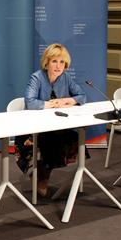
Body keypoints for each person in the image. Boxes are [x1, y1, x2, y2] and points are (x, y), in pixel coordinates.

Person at [18, 43, 86, 197]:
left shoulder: (65, 77)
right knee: (53, 141)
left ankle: (42, 171)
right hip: (35, 128)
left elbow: (82, 96)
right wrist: (50, 104)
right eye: (54, 61)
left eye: (62, 62)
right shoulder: (37, 77)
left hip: (56, 125)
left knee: (75, 139)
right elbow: (29, 102)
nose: (58, 66)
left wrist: (71, 101)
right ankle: (42, 174)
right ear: (47, 62)